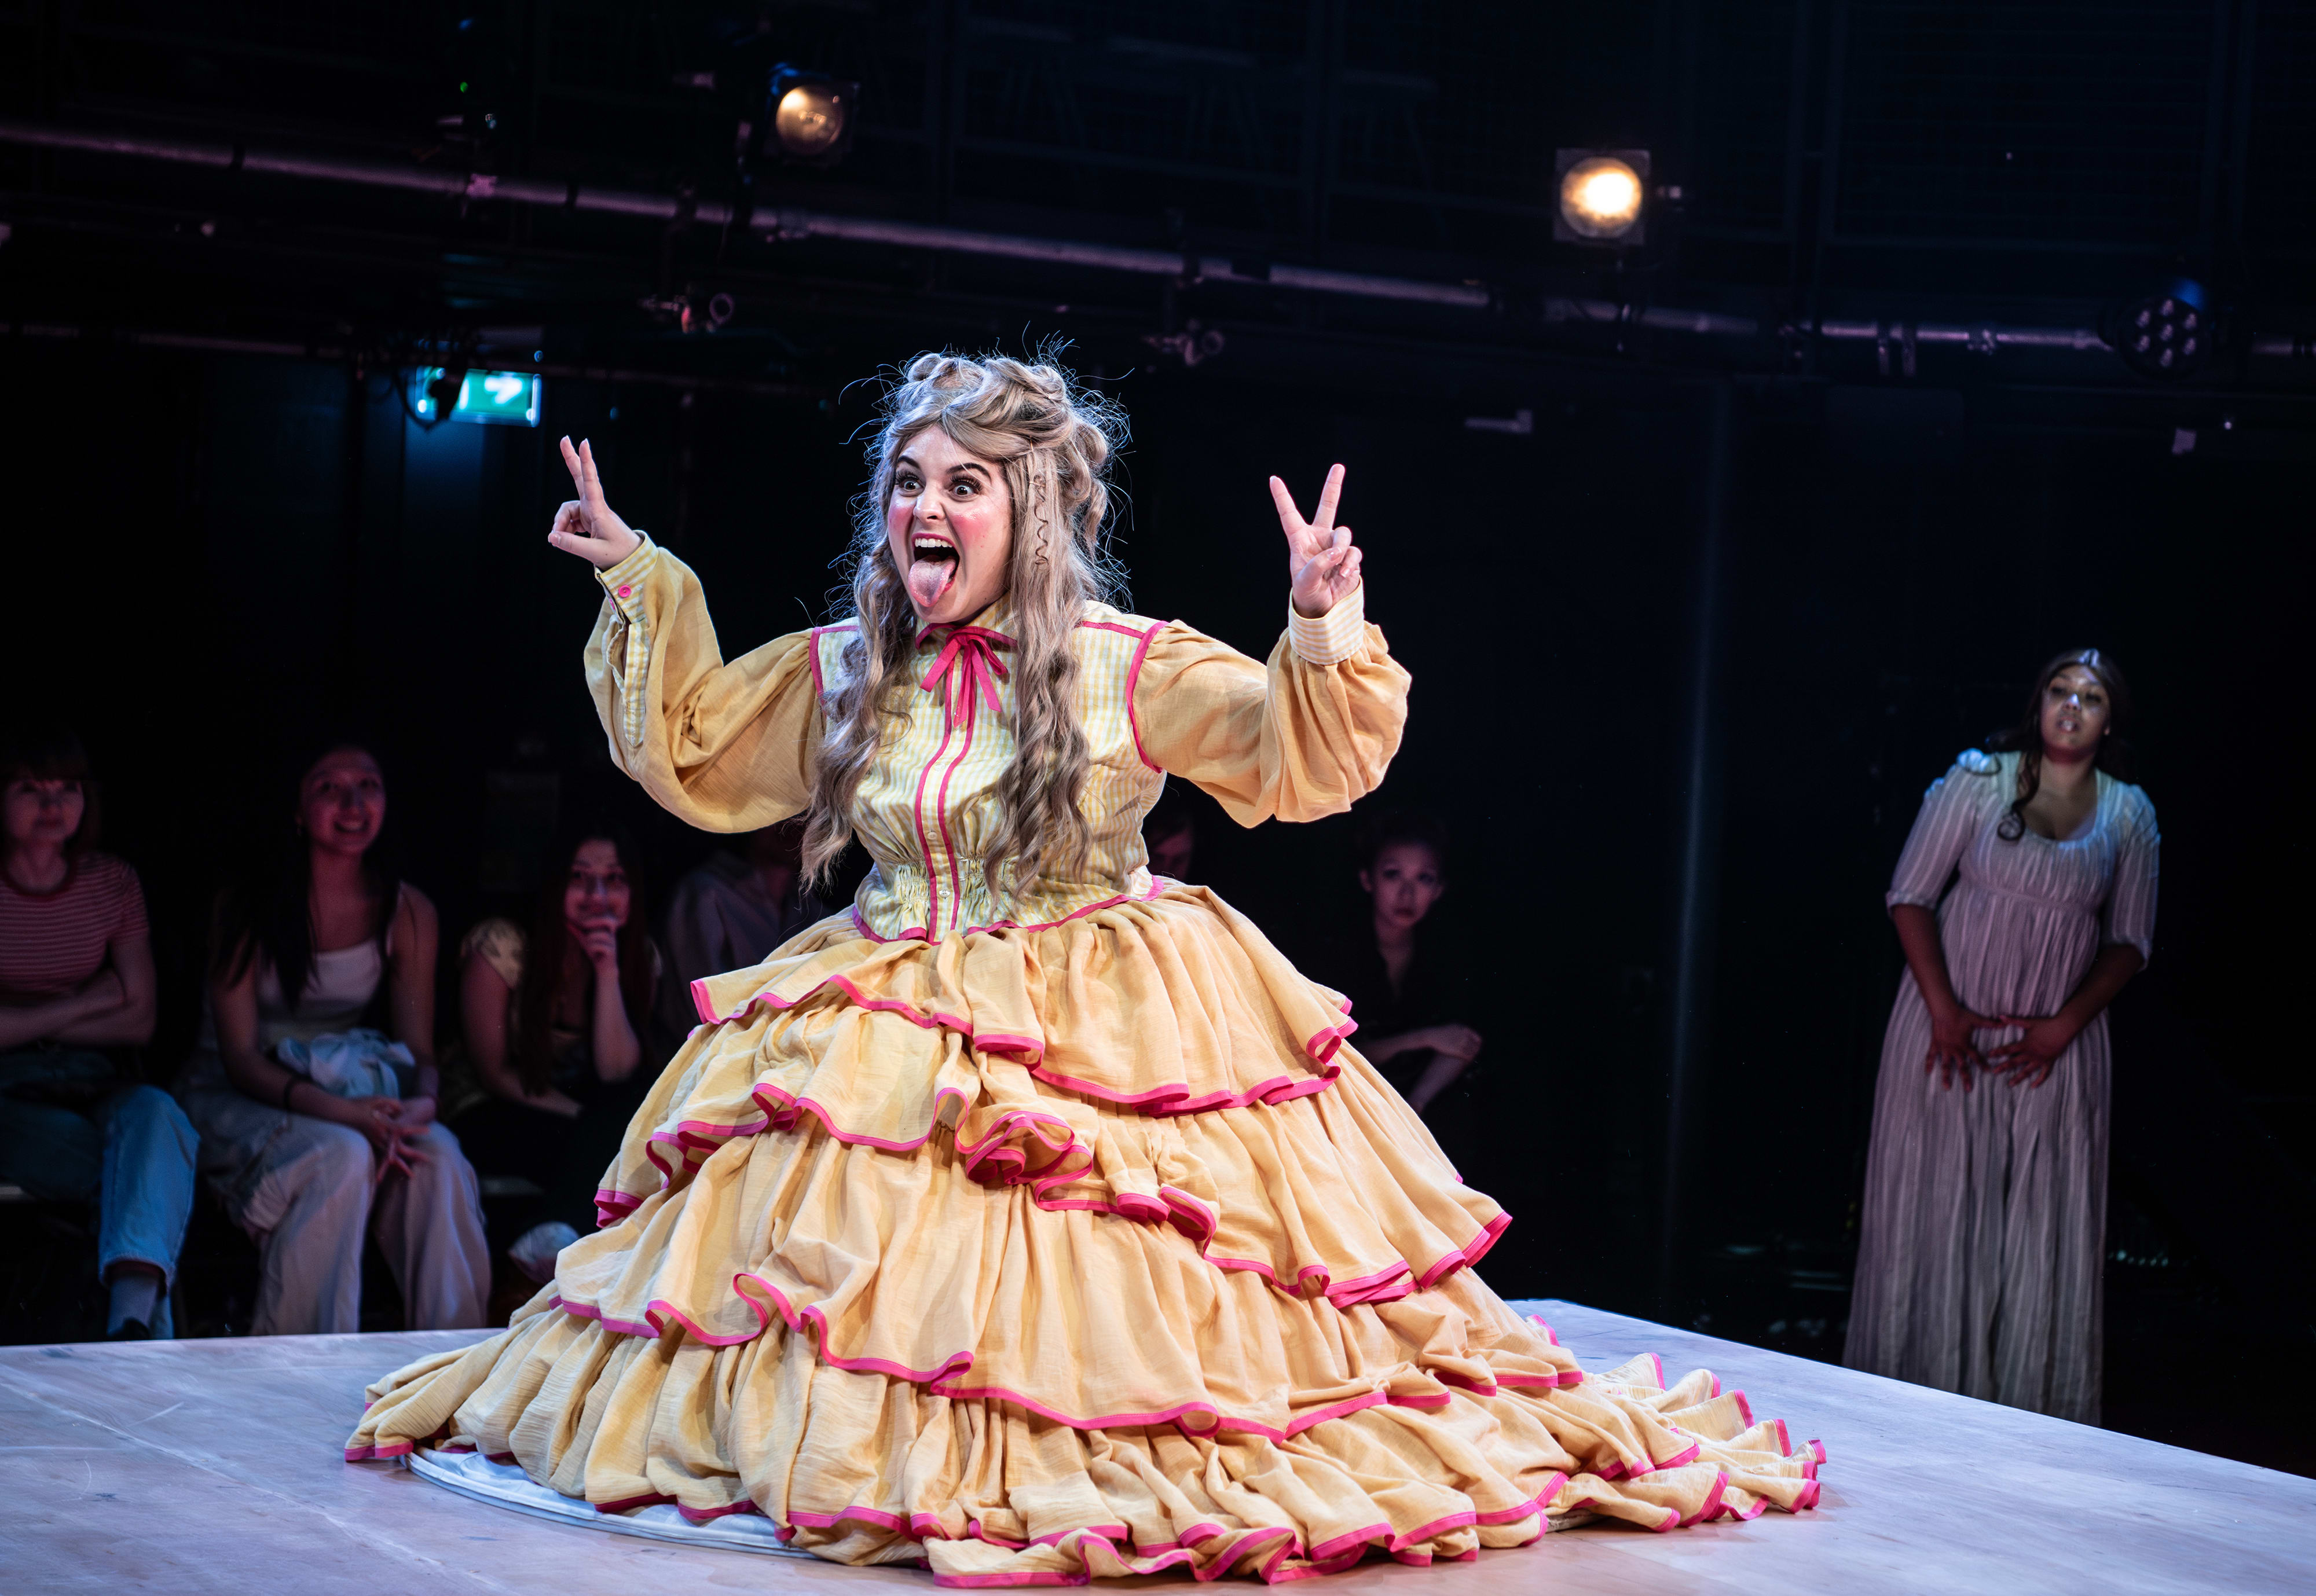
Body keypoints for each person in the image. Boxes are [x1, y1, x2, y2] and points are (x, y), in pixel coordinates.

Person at [350, 353, 1820, 1577]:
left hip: (1091, 999)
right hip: (889, 994)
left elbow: (1295, 751)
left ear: (1029, 513)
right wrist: (639, 582)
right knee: (834, 1292)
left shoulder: (1122, 662)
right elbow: (698, 743)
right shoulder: (855, 667)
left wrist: (1317, 617)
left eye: (961, 484)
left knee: (1106, 1311)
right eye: (909, 482)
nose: (924, 506)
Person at [1845, 649, 2159, 1423]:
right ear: (2038, 702)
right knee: (1939, 1200)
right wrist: (1946, 1009)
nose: (2072, 708)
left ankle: (2024, 1415)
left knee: (2036, 1219)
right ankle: (1909, 1406)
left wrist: (2063, 1027)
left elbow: (2130, 940)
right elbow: (1910, 895)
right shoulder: (1980, 781)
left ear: (2109, 717)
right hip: (1948, 1026)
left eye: (2090, 697)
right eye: (2059, 691)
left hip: (2054, 1047)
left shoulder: (2128, 813)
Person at [178, 740, 490, 1335]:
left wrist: (423, 1105)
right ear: (297, 809)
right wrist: (347, 1116)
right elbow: (242, 1060)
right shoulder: (243, 907)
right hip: (239, 1094)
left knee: (439, 1156)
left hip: (350, 1093)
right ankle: (299, 1370)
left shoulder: (408, 911)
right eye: (329, 787)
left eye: (368, 785)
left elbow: (420, 1054)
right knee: (341, 1157)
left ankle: (451, 1368)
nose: (352, 803)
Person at [0, 727, 196, 1340]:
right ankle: (144, 1342)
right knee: (144, 1170)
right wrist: (89, 998)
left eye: (68, 788)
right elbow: (114, 1000)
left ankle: (128, 1325)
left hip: (91, 1076)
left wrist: (25, 1017)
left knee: (158, 1117)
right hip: (11, 1093)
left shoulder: (111, 882)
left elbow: (139, 1017)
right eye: (32, 788)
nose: (53, 804)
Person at [452, 822, 665, 1279]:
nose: (598, 895)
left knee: (634, 1107)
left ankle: (555, 1240)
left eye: (615, 879)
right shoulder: (503, 948)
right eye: (579, 877)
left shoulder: (637, 958)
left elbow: (615, 1073)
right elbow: (492, 1072)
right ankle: (548, 1241)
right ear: (554, 885)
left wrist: (606, 972)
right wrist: (581, 1115)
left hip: (579, 1116)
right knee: (604, 1136)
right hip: (492, 1107)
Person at [1318, 812, 1484, 1118]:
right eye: (1393, 874)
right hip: (1348, 1098)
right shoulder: (1340, 951)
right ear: (1368, 879)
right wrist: (1424, 1038)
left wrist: (1416, 1107)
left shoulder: (1444, 953)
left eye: (1424, 878)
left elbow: (1463, 1044)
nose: (1407, 895)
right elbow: (1337, 1052)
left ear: (1438, 890)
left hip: (1422, 1104)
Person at [657, 817, 820, 1040]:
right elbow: (702, 1010)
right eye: (781, 814)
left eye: (803, 814)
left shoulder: (814, 911)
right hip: (716, 1058)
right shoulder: (707, 893)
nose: (792, 824)